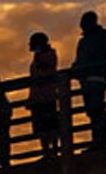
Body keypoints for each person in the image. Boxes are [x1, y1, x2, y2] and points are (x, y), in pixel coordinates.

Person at [73, 9, 106, 149]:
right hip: (86, 79)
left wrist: (97, 66)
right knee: (93, 110)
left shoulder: (103, 36)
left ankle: (105, 141)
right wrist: (75, 69)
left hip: (97, 76)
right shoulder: (84, 41)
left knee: (96, 108)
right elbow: (79, 60)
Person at [26, 31, 73, 161]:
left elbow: (44, 68)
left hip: (47, 95)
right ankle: (47, 152)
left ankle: (53, 151)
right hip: (38, 96)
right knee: (41, 126)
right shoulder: (41, 55)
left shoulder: (48, 55)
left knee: (50, 124)